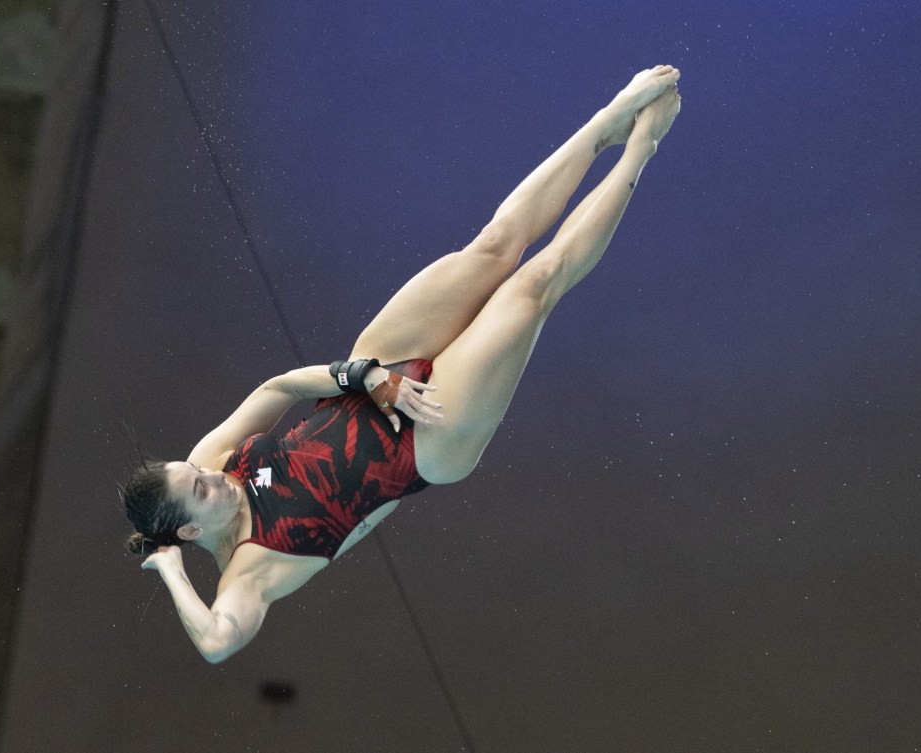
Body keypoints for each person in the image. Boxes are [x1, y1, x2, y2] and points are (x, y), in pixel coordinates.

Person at [123, 66, 681, 663]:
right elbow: (215, 644)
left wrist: (362, 376)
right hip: (427, 439)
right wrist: (171, 572)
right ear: (188, 531)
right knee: (534, 286)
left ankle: (607, 123)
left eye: (193, 468)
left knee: (494, 246)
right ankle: (642, 148)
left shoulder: (211, 460)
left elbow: (278, 385)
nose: (209, 473)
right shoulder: (250, 572)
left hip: (373, 375)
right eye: (201, 489)